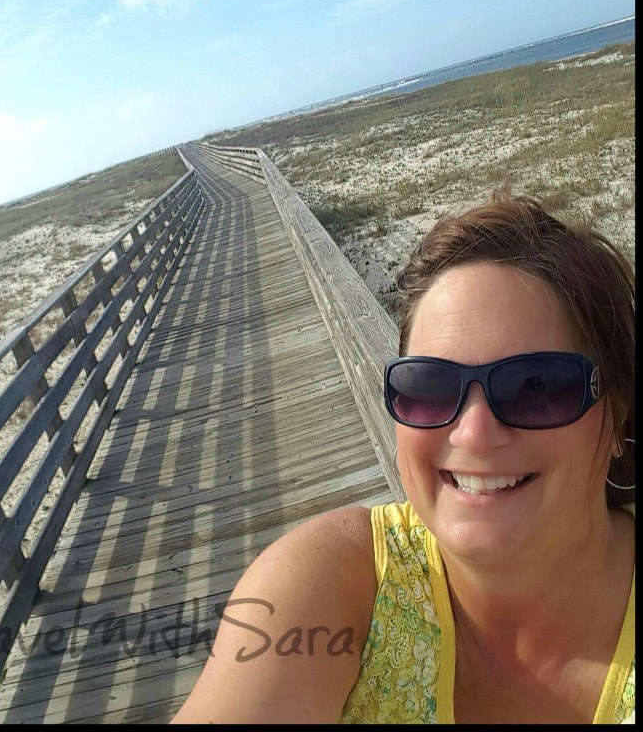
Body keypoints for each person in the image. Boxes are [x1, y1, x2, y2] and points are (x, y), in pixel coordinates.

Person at [171, 190, 635, 724]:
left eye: (536, 387)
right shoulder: (334, 587)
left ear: (617, 416)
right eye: (431, 386)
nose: (476, 432)